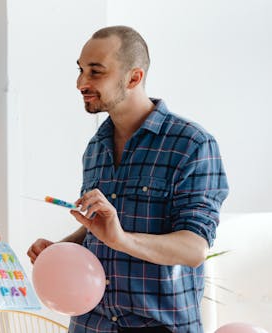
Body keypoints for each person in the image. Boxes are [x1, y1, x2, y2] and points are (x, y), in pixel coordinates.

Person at [27, 26, 228, 333]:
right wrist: (60, 248)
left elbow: (194, 249)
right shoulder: (96, 147)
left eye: (96, 72)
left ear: (134, 78)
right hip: (91, 324)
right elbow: (100, 228)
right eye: (81, 70)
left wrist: (121, 240)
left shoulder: (192, 145)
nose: (81, 82)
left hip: (158, 326)